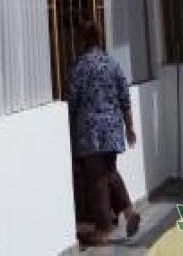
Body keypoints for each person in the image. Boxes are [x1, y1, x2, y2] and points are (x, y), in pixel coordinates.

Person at [67, 20, 140, 245]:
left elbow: (72, 101)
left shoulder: (80, 67)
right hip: (113, 129)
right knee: (109, 172)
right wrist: (129, 128)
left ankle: (103, 230)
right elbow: (124, 97)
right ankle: (129, 211)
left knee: (96, 181)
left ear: (82, 40)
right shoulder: (112, 63)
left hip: (91, 132)